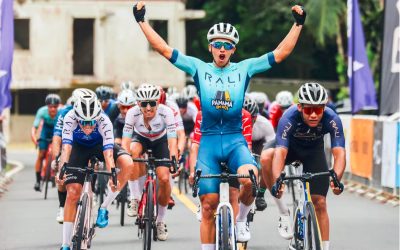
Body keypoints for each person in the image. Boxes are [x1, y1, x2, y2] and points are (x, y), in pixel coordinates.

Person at [133, 1, 305, 247]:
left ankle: (242, 220)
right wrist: (141, 21)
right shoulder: (198, 67)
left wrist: (298, 25)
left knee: (250, 179)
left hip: (235, 140)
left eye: (227, 45)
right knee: (208, 205)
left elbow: (280, 53)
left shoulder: (245, 68)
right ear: (210, 47)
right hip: (209, 142)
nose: (222, 49)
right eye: (217, 45)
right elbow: (163, 49)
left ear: (233, 49)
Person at [264, 83, 346, 250]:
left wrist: (337, 178)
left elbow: (339, 153)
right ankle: (282, 210)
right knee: (266, 158)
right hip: (289, 148)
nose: (314, 115)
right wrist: (278, 178)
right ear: (300, 107)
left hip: (313, 152)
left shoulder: (332, 118)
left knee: (320, 203)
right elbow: (280, 153)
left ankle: (324, 247)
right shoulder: (289, 117)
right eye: (309, 110)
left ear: (325, 107)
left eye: (319, 109)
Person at [57, 89, 133, 250]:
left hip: (100, 147)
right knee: (72, 193)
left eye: (91, 122)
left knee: (127, 163)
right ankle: (65, 243)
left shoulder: (104, 120)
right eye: (83, 122)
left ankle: (104, 207)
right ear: (76, 117)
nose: (87, 126)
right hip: (78, 148)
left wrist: (113, 173)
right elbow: (66, 148)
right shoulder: (70, 117)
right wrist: (62, 169)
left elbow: (108, 153)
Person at [121, 83, 178, 241]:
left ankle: (160, 221)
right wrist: (124, 156)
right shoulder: (132, 113)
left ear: (158, 103)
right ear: (138, 103)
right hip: (141, 139)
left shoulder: (167, 112)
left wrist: (174, 157)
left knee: (164, 178)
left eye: (152, 103)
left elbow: (172, 140)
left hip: (160, 141)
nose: (148, 108)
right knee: (132, 152)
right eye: (144, 104)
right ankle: (135, 197)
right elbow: (126, 140)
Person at [52, 89, 87, 223]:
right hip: (69, 143)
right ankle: (62, 206)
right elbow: (57, 137)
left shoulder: (92, 110)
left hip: (86, 143)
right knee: (62, 168)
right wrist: (56, 158)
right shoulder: (65, 112)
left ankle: (91, 193)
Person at [242, 96, 275, 211]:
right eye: (244, 119)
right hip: (240, 142)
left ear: (257, 116)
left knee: (266, 163)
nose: (248, 121)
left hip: (259, 143)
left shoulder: (265, 124)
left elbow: (272, 148)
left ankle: (260, 194)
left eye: (252, 118)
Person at [31, 93, 61, 191]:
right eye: (50, 107)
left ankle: (56, 173)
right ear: (47, 106)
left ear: (58, 106)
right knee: (41, 154)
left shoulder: (61, 112)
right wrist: (34, 139)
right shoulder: (42, 111)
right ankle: (38, 181)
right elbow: (34, 127)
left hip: (57, 130)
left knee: (55, 154)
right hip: (46, 131)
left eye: (55, 107)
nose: (53, 109)